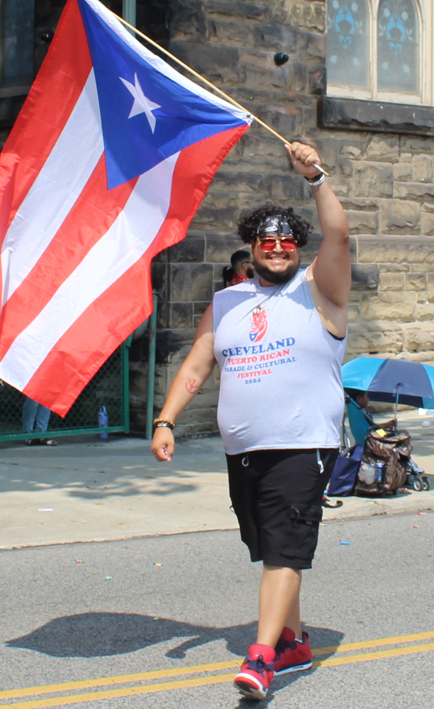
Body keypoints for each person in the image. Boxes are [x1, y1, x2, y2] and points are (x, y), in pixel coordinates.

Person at [151, 141, 351, 702]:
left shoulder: (320, 290)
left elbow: (337, 234)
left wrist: (316, 177)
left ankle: (262, 658)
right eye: (268, 241)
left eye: (288, 241)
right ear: (252, 247)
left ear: (298, 248)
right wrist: (166, 419)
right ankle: (292, 639)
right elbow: (197, 364)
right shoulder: (227, 302)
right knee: (269, 548)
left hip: (302, 442)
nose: (278, 248)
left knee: (285, 548)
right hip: (243, 449)